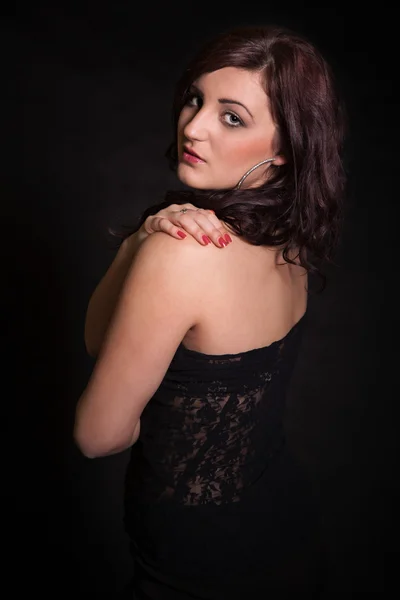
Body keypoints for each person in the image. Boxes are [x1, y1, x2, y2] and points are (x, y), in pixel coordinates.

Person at [74, 24, 346, 599]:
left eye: (232, 117)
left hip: (195, 561)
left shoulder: (184, 254)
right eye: (196, 99)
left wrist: (153, 250)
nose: (193, 125)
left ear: (284, 148)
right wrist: (138, 243)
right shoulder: (288, 244)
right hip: (285, 529)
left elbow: (97, 437)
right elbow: (105, 344)